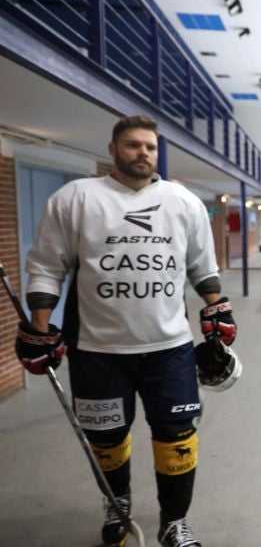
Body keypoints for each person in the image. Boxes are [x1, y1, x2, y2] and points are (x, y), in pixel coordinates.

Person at [15, 115, 237, 547]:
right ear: (113, 149)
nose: (143, 153)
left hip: (169, 349)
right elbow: (46, 266)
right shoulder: (76, 198)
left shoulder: (182, 201)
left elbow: (201, 266)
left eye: (150, 147)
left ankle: (175, 522)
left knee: (177, 436)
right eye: (133, 145)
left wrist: (217, 309)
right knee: (107, 438)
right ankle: (117, 507)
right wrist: (40, 329)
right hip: (97, 350)